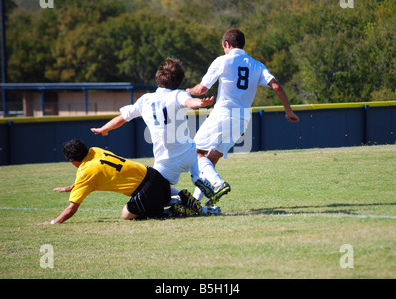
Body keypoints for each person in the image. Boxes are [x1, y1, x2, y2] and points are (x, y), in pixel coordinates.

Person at [187, 28, 300, 206]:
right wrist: (289, 111)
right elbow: (276, 86)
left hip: (223, 113)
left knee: (196, 151)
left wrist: (187, 92)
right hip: (242, 119)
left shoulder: (223, 61)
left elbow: (201, 90)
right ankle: (197, 201)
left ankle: (218, 184)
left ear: (226, 44)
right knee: (211, 159)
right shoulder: (256, 64)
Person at [91, 58, 215, 202]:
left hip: (165, 160)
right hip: (188, 156)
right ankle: (195, 177)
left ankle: (182, 201)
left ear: (158, 78)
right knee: (193, 146)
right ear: (179, 81)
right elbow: (189, 102)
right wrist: (201, 103)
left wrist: (104, 129)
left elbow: (122, 118)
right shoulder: (178, 94)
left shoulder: (145, 99)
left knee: (156, 193)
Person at [37, 139, 200, 225]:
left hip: (147, 191)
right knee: (153, 198)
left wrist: (52, 222)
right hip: (155, 176)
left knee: (126, 214)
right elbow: (90, 176)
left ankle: (171, 211)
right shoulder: (95, 151)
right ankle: (181, 198)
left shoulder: (85, 172)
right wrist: (71, 187)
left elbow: (71, 208)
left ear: (72, 160)